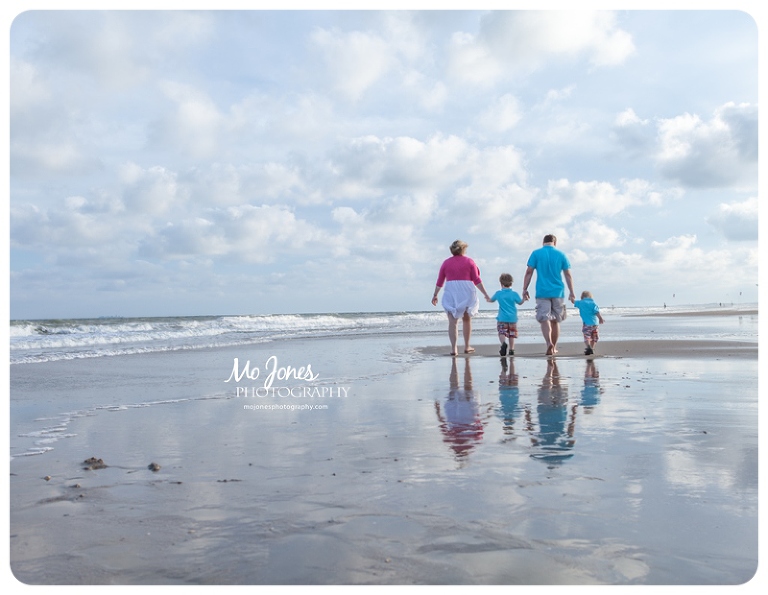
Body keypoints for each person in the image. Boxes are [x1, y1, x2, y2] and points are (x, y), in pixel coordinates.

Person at [432, 240, 491, 356]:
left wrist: (435, 295)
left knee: (452, 321)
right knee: (466, 319)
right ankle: (467, 346)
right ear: (463, 249)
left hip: (451, 290)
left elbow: (440, 281)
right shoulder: (470, 262)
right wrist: (485, 294)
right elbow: (477, 280)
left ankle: (454, 349)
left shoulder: (446, 263)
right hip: (466, 289)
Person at [522, 234, 575, 356]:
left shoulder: (536, 253)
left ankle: (548, 343)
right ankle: (554, 347)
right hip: (558, 292)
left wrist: (525, 289)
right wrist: (572, 292)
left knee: (545, 318)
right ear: (555, 243)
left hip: (542, 291)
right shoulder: (561, 254)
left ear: (543, 242)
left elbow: (529, 272)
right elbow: (568, 274)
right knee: (555, 320)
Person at [487, 273, 525, 356]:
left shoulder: (498, 293)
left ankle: (503, 343)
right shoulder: (514, 294)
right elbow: (520, 302)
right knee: (511, 334)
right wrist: (524, 298)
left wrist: (487, 299)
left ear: (501, 283)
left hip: (502, 318)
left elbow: (491, 300)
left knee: (502, 332)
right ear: (511, 283)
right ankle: (511, 349)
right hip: (512, 318)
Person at [574, 290, 605, 355]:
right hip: (595, 324)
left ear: (582, 296)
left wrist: (571, 297)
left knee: (587, 336)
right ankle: (592, 348)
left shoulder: (580, 303)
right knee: (594, 337)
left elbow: (573, 301)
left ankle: (588, 347)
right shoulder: (593, 303)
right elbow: (596, 312)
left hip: (587, 324)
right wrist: (600, 318)